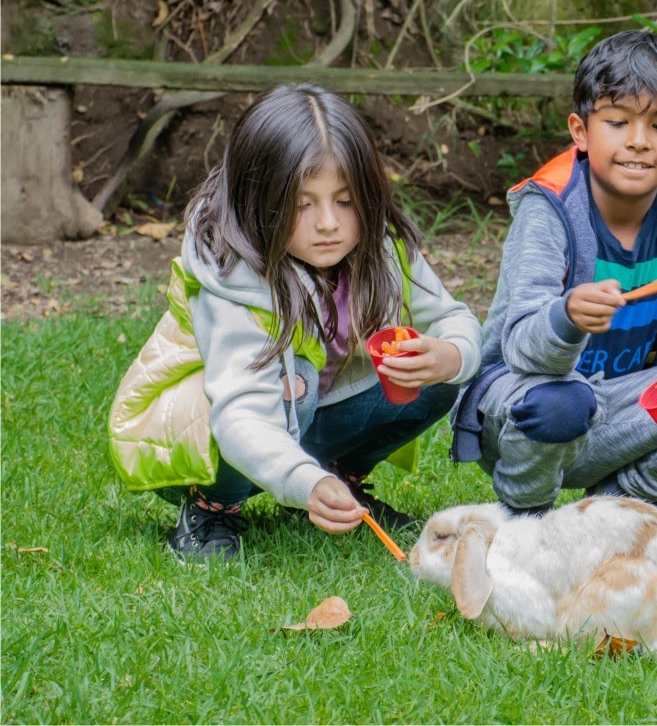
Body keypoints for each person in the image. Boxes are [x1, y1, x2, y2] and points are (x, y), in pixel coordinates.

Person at [109, 84, 482, 563]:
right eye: (303, 204)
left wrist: (450, 355)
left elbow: (454, 319)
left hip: (300, 417)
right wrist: (302, 482)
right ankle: (213, 506)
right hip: (207, 431)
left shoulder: (381, 248)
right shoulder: (231, 275)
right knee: (294, 381)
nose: (328, 223)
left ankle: (341, 483)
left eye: (345, 201)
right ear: (257, 200)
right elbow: (240, 411)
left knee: (433, 371)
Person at [450, 30, 657, 516]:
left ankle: (623, 507)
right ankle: (526, 516)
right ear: (581, 131)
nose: (639, 143)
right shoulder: (550, 208)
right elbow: (518, 345)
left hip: (628, 407)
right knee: (563, 401)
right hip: (526, 404)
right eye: (618, 122)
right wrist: (566, 318)